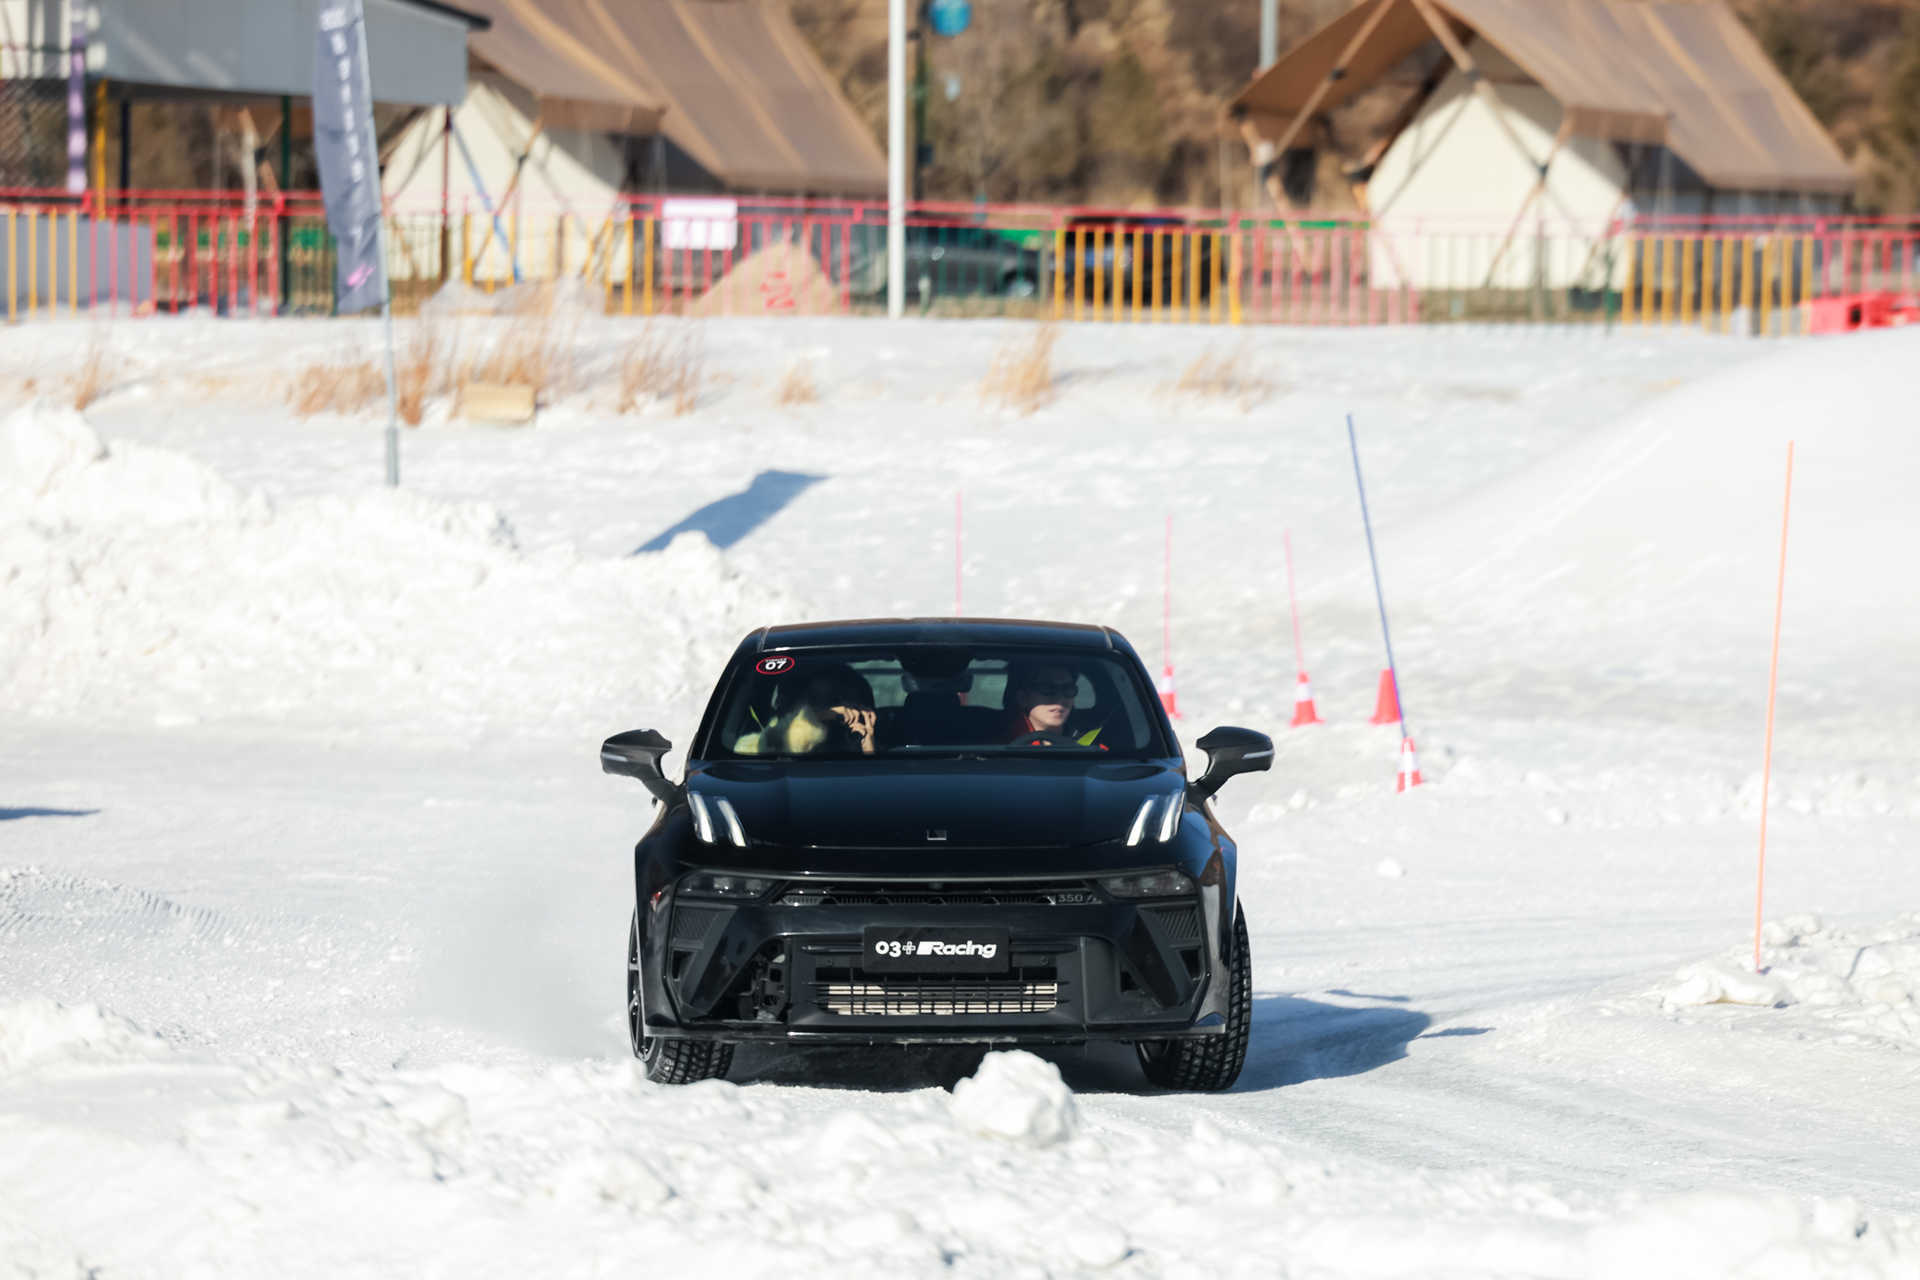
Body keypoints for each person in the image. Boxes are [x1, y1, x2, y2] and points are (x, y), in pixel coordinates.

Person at [736, 665, 877, 755]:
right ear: (788, 704)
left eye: (836, 701)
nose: (839, 711)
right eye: (816, 701)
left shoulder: (891, 755)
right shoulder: (764, 742)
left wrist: (867, 749)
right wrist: (817, 719)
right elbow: (756, 749)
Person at [1001, 662, 1083, 745]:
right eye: (1047, 688)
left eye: (1068, 689)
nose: (1059, 698)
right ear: (1023, 698)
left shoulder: (1092, 744)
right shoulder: (999, 747)